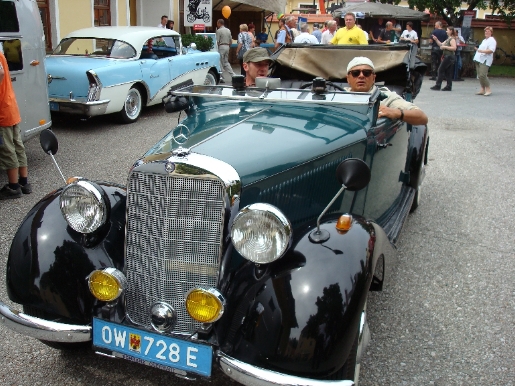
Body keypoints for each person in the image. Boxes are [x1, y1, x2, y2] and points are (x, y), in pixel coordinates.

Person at [345, 56, 428, 125]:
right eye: (355, 73)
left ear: (373, 78)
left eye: (367, 73)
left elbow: (422, 117)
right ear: (348, 79)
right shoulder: (336, 95)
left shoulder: (385, 96)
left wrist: (395, 112)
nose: (361, 76)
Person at [0, 51, 31, 199]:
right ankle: (24, 183)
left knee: (7, 149)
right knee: (17, 145)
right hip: (11, 107)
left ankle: (13, 187)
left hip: (2, 111)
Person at [430, 26, 457, 91]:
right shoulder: (448, 39)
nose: (446, 31)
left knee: (440, 70)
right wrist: (436, 39)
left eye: (447, 30)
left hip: (449, 56)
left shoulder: (452, 39)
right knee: (448, 72)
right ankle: (448, 86)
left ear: (451, 31)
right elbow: (441, 44)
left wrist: (445, 47)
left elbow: (454, 48)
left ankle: (438, 85)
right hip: (448, 56)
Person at [473, 26, 496, 96]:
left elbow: (491, 50)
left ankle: (488, 89)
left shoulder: (492, 40)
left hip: (485, 59)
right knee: (479, 75)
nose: (486, 32)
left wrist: (481, 51)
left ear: (491, 33)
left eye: (488, 31)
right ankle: (482, 89)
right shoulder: (484, 40)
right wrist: (477, 49)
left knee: (483, 75)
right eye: (486, 31)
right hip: (479, 59)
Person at [216, 19, 236, 83]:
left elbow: (217, 42)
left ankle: (221, 77)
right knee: (226, 62)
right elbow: (231, 41)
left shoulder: (219, 31)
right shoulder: (228, 30)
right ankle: (233, 75)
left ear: (219, 23)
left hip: (221, 46)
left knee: (220, 62)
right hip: (227, 46)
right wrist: (228, 46)